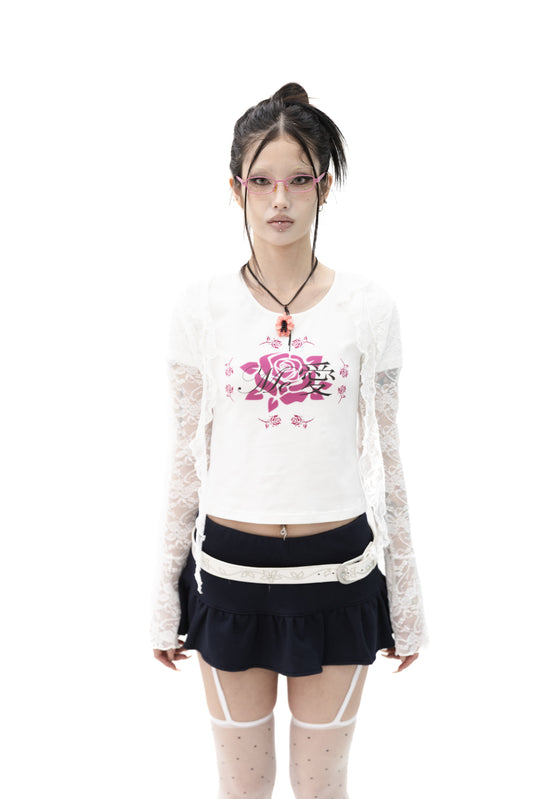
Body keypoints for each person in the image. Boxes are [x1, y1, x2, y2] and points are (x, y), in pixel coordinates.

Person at [150, 82, 428, 799]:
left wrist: (407, 604)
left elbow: (389, 458)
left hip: (338, 573)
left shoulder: (368, 308)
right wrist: (161, 599)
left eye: (298, 180)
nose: (279, 200)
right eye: (262, 182)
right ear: (235, 189)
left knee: (321, 784)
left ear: (323, 188)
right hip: (229, 574)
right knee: (242, 786)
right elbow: (183, 460)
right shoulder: (200, 308)